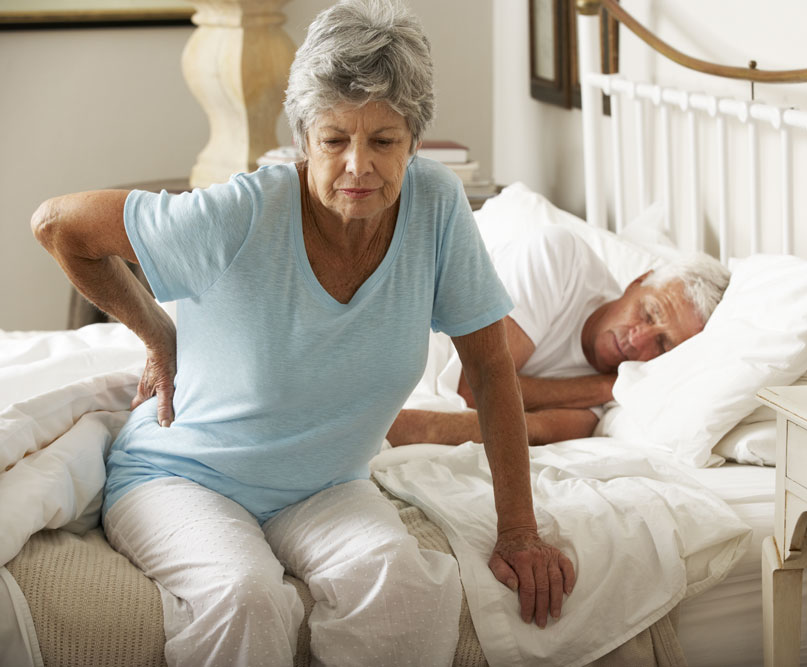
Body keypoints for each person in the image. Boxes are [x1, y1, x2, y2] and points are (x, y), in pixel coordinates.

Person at [30, 1, 574, 665]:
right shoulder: (238, 213)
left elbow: (490, 369)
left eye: (384, 141)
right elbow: (57, 223)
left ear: (415, 141)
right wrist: (155, 330)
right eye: (335, 139)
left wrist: (520, 527)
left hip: (327, 483)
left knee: (403, 587)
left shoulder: (436, 206)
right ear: (303, 139)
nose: (358, 167)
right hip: (182, 476)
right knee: (244, 594)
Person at [387, 225, 729, 447]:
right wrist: (602, 387)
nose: (637, 341)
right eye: (649, 313)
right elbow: (478, 387)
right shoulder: (561, 260)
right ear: (638, 281)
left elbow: (527, 433)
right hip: (394, 329)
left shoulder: (632, 391)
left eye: (663, 344)